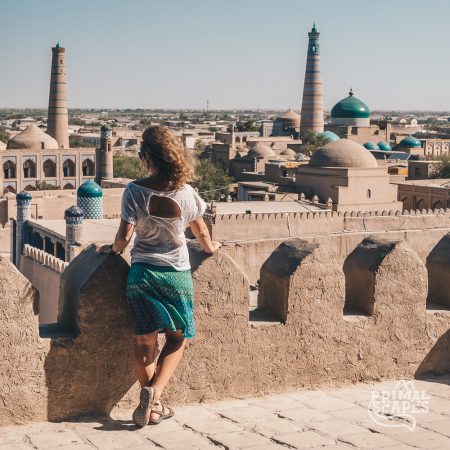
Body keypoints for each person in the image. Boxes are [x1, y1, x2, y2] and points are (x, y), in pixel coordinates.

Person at [98, 126, 221, 427]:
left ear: (146, 158)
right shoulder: (187, 193)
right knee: (178, 337)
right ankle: (156, 395)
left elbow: (123, 238)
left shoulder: (134, 191)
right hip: (176, 274)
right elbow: (201, 231)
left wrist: (111, 251)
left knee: (144, 341)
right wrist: (211, 247)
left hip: (142, 274)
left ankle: (150, 403)